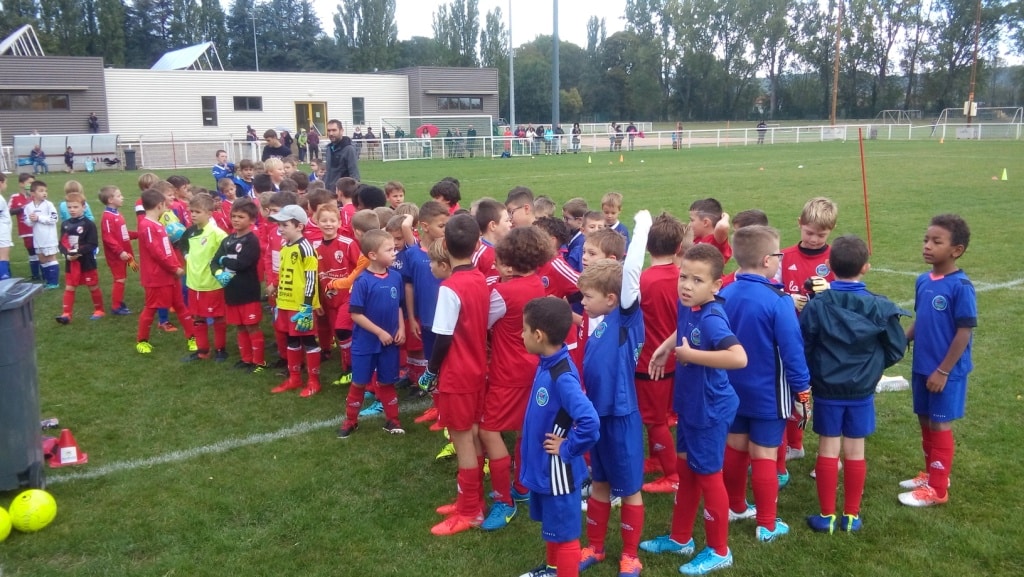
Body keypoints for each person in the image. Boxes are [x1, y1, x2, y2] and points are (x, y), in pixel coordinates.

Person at [642, 244, 747, 576]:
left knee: (707, 475)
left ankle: (719, 551)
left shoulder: (714, 318)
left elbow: (738, 357)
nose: (686, 285)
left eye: (697, 280)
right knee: (687, 472)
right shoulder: (688, 304)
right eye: (683, 276)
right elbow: (684, 329)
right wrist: (665, 347)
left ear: (716, 286)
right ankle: (680, 538)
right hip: (691, 404)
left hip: (710, 410)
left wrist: (691, 356)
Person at [801, 234, 908, 532]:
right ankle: (851, 515)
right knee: (855, 449)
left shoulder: (818, 305)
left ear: (829, 266)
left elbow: (805, 345)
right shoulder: (879, 306)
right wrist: (872, 368)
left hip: (827, 388)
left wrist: (815, 372)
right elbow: (896, 348)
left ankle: (827, 516)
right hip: (860, 389)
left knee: (827, 447)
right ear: (866, 267)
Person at [718, 225, 810, 541]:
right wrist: (803, 388)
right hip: (769, 394)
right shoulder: (778, 300)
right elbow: (792, 349)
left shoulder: (724, 294)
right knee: (765, 456)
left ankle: (735, 506)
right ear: (768, 260)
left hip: (730, 390)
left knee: (736, 448)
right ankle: (767, 525)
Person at [575, 210, 650, 577]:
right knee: (600, 483)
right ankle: (596, 547)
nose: (582, 303)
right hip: (596, 417)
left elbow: (632, 271)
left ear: (610, 297)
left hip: (620, 417)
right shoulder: (599, 322)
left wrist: (642, 226)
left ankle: (631, 554)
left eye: (587, 297)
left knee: (630, 488)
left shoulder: (625, 318)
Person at [516, 297, 600, 577]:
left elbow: (589, 421)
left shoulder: (562, 375)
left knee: (565, 534)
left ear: (538, 335)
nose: (521, 334)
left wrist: (568, 448)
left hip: (558, 472)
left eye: (524, 329)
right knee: (553, 526)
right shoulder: (548, 361)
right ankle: (553, 570)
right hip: (545, 467)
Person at [418, 214, 490, 536]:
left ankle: (470, 511)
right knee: (472, 436)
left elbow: (443, 336)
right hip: (478, 371)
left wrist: (431, 371)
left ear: (445, 246)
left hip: (457, 376)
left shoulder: (450, 288)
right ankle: (470, 503)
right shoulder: (481, 280)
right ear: (477, 245)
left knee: (462, 440)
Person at [478, 227, 553, 531]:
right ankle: (522, 487)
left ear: (508, 264)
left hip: (507, 373)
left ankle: (502, 502)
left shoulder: (502, 292)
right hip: (534, 369)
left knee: (489, 431)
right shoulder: (538, 283)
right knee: (524, 428)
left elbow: (483, 323)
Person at [898, 214, 975, 508]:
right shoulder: (923, 280)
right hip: (922, 367)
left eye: (936, 241)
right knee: (925, 421)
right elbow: (922, 320)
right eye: (926, 239)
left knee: (940, 425)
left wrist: (943, 370)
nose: (927, 246)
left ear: (956, 250)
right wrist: (902, 340)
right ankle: (932, 474)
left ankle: (938, 490)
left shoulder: (961, 287)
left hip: (946, 371)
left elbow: (963, 333)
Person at [774, 197, 838, 479]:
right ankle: (794, 444)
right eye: (809, 232)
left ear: (831, 231)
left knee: (824, 395)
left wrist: (824, 299)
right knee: (789, 391)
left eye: (821, 235)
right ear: (799, 225)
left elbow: (846, 296)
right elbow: (771, 291)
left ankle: (829, 453)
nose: (813, 239)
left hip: (825, 341)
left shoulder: (836, 259)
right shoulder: (783, 256)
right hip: (790, 338)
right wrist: (789, 299)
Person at [637, 214, 689, 494]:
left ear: (646, 245)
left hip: (650, 362)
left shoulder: (643, 280)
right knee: (659, 415)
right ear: (679, 246)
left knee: (655, 420)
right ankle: (659, 459)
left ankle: (673, 474)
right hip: (675, 357)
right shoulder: (683, 278)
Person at [338, 229, 406, 436]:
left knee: (387, 381)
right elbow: (356, 315)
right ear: (373, 255)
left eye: (394, 248)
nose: (394, 253)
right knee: (359, 382)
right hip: (366, 343)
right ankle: (350, 421)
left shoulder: (395, 277)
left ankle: (393, 420)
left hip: (390, 343)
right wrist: (379, 332)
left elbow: (399, 306)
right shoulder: (362, 281)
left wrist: (401, 328)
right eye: (389, 249)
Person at [402, 201, 450, 425]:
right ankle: (437, 408)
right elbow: (409, 286)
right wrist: (412, 317)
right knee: (432, 363)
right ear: (425, 226)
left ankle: (447, 411)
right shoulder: (414, 253)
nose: (446, 231)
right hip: (427, 321)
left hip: (448, 324)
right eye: (442, 226)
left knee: (447, 365)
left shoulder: (450, 253)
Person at [268, 205, 323, 398]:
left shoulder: (306, 248)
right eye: (279, 225)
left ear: (299, 226)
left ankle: (314, 381)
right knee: (291, 339)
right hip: (285, 302)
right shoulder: (285, 247)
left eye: (284, 225)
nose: (280, 229)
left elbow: (310, 278)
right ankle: (294, 378)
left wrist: (307, 306)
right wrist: (276, 288)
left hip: (301, 306)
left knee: (308, 340)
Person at [134, 188, 194, 354]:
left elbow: (166, 250)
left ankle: (192, 338)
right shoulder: (147, 226)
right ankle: (142, 341)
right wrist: (174, 268)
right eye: (166, 204)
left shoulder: (158, 224)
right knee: (151, 308)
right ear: (159, 205)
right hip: (156, 277)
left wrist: (175, 266)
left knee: (181, 306)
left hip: (170, 275)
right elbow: (156, 252)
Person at [211, 198, 266, 373]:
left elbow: (242, 263)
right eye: (233, 216)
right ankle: (246, 359)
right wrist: (219, 273)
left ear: (251, 220)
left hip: (248, 291)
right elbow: (213, 262)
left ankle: (259, 362)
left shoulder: (252, 241)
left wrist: (224, 260)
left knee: (252, 326)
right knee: (239, 326)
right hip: (231, 291)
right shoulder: (227, 240)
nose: (235, 220)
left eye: (240, 217)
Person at [181, 194, 230, 362]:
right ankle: (202, 351)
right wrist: (187, 256)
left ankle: (220, 349)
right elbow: (183, 245)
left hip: (212, 284)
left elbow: (227, 256)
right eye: (191, 211)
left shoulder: (218, 234)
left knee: (217, 317)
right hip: (194, 282)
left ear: (209, 213)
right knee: (197, 317)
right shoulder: (190, 231)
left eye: (197, 212)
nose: (193, 215)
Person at [53, 192, 104, 323]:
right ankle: (66, 314)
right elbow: (61, 243)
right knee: (69, 287)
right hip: (71, 262)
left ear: (84, 207)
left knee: (92, 285)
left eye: (75, 207)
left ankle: (99, 310)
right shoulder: (65, 224)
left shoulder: (88, 224)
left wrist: (77, 252)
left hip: (86, 261)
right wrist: (66, 254)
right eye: (69, 207)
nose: (72, 210)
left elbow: (92, 244)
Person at [99, 186, 138, 315]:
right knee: (119, 279)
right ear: (110, 200)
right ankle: (116, 307)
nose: (122, 197)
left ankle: (119, 301)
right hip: (117, 256)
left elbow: (123, 233)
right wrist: (120, 251)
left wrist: (138, 234)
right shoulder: (107, 217)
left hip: (125, 254)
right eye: (119, 195)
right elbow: (108, 238)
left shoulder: (117, 214)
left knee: (129, 274)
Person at [23, 180, 60, 288]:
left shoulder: (49, 205)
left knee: (50, 258)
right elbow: (27, 221)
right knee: (42, 259)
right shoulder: (28, 207)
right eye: (41, 191)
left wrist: (39, 218)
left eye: (45, 191)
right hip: (38, 238)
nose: (44, 193)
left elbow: (54, 218)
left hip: (49, 237)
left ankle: (54, 282)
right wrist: (31, 220)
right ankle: (47, 280)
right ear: (33, 193)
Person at [8, 174, 40, 280]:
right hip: (26, 230)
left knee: (41, 251)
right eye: (29, 183)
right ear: (21, 184)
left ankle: (46, 274)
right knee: (32, 252)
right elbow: (9, 211)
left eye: (33, 183)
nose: (31, 185)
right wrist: (22, 208)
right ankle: (35, 274)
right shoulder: (15, 197)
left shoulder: (36, 196)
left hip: (39, 229)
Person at [689, 198, 731, 263]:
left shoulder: (715, 241)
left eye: (692, 220)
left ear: (705, 222)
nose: (689, 224)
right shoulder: (697, 238)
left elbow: (722, 226)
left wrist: (726, 216)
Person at [324, 119, 360, 190]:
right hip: (329, 192)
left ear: (341, 131)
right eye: (329, 130)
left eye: (334, 130)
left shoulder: (349, 149)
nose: (331, 133)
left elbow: (354, 174)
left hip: (342, 193)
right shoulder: (329, 148)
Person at [562, 198, 588, 272]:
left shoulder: (581, 240)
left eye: (567, 218)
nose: (564, 221)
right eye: (563, 217)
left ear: (580, 220)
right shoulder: (572, 232)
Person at [0, 173, 10, 280]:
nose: (6, 185)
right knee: (3, 257)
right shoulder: (0, 199)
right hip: (2, 232)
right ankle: (4, 281)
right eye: (5, 183)